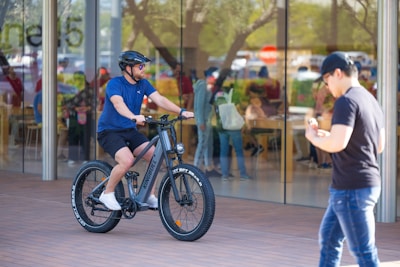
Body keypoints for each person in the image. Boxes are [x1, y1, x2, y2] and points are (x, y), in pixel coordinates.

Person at [305, 52, 385, 266]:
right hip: (360, 185)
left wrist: (313, 138)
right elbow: (378, 145)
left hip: (351, 189)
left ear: (337, 73)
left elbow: (338, 144)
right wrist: (328, 137)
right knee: (330, 240)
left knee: (364, 253)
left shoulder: (346, 101)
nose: (327, 86)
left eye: (326, 80)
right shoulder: (370, 100)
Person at [97, 50, 194, 210]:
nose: (143, 69)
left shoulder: (143, 84)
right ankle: (107, 193)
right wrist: (133, 116)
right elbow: (118, 104)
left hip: (129, 130)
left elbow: (160, 99)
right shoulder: (115, 84)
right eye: (140, 66)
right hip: (109, 131)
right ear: (128, 68)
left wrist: (181, 112)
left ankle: (149, 195)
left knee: (155, 157)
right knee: (127, 161)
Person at [210, 68, 251, 181]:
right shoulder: (235, 93)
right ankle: (243, 174)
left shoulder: (217, 93)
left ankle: (224, 175)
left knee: (223, 150)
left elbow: (214, 108)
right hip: (233, 125)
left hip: (221, 125)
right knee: (238, 150)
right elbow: (239, 109)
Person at [193, 70, 221, 177]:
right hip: (203, 119)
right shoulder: (202, 85)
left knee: (209, 144)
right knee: (202, 143)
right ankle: (195, 168)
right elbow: (199, 106)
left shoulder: (208, 87)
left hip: (208, 119)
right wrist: (200, 121)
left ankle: (209, 166)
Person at [64, 71, 93, 166]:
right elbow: (66, 102)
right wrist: (75, 108)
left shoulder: (89, 89)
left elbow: (95, 102)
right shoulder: (70, 89)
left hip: (86, 115)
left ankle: (85, 157)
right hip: (74, 115)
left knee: (85, 137)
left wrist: (88, 107)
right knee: (73, 136)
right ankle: (72, 157)